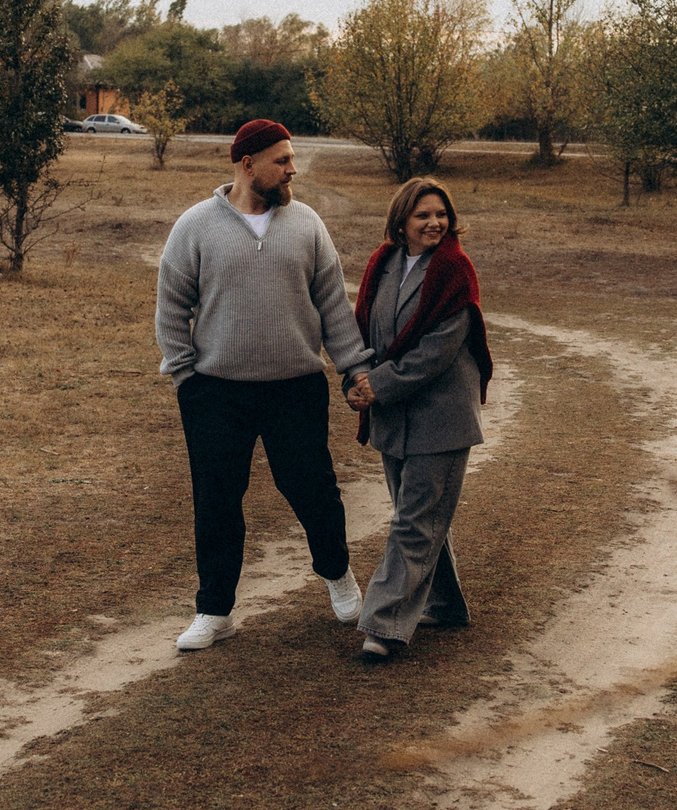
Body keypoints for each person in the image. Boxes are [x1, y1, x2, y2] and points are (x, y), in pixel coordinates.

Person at [155, 120, 373, 652]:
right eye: (282, 159)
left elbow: (331, 305)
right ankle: (214, 611)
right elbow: (172, 306)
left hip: (294, 388)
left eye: (292, 158)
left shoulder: (307, 224)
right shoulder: (196, 225)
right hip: (215, 393)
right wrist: (186, 377)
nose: (292, 168)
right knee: (217, 500)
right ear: (247, 164)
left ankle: (339, 578)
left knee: (312, 489)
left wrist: (353, 367)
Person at [344, 177, 491, 661]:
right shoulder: (383, 264)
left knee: (414, 521)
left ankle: (383, 625)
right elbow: (363, 326)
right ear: (402, 221)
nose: (435, 223)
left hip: (441, 417)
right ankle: (444, 604)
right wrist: (356, 379)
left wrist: (377, 386)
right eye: (423, 215)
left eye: (441, 215)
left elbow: (437, 351)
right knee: (422, 518)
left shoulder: (454, 268)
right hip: (395, 416)